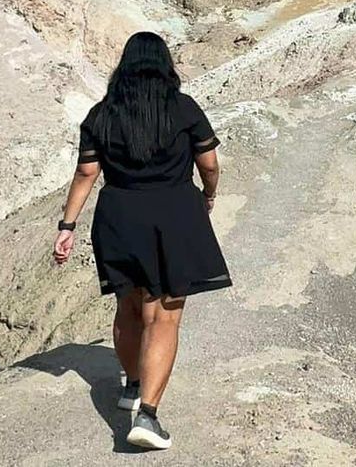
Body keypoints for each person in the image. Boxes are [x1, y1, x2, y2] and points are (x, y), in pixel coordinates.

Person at [53, 32, 231, 451]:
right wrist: (209, 193)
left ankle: (131, 385)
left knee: (128, 306)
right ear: (165, 65)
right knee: (163, 317)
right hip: (173, 216)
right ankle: (147, 416)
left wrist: (67, 226)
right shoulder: (183, 108)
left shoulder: (102, 114)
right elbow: (209, 162)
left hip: (118, 218)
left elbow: (85, 175)